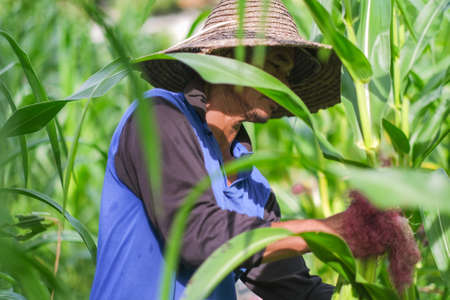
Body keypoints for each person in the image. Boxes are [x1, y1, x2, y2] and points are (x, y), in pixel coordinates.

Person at [90, 1, 349, 299]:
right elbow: (195, 234)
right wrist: (326, 229)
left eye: (288, 75)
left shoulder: (254, 188)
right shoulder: (159, 117)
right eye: (276, 65)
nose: (284, 86)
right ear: (226, 57)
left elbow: (294, 290)